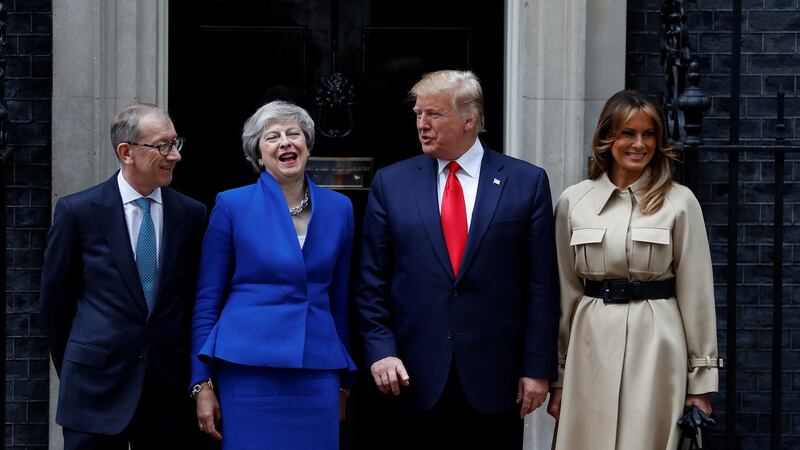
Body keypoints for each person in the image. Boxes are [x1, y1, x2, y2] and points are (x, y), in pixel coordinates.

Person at [355, 70, 559, 449]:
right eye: (418, 114)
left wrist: (537, 368)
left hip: (496, 380)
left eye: (433, 114)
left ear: (470, 119)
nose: (422, 124)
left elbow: (542, 284)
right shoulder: (391, 183)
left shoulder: (526, 182)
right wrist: (381, 352)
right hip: (410, 378)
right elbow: (370, 282)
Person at [548, 90, 722, 449]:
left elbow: (697, 293)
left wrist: (701, 383)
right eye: (628, 133)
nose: (639, 144)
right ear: (607, 137)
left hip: (657, 345)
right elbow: (564, 293)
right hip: (588, 346)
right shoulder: (574, 201)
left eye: (649, 134)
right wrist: (559, 377)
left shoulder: (680, 202)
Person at [40, 103, 208, 449]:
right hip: (94, 390)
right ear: (126, 152)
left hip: (166, 392)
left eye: (176, 143)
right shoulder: (78, 211)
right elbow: (55, 304)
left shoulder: (192, 215)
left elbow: (194, 300)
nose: (174, 155)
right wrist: (80, 364)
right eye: (162, 145)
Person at [191, 100, 357, 449]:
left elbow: (340, 303)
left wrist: (343, 383)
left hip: (317, 369)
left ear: (307, 145)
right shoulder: (232, 205)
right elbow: (207, 300)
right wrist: (201, 383)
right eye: (272, 137)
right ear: (258, 153)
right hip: (248, 370)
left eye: (293, 134)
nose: (285, 142)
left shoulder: (340, 209)